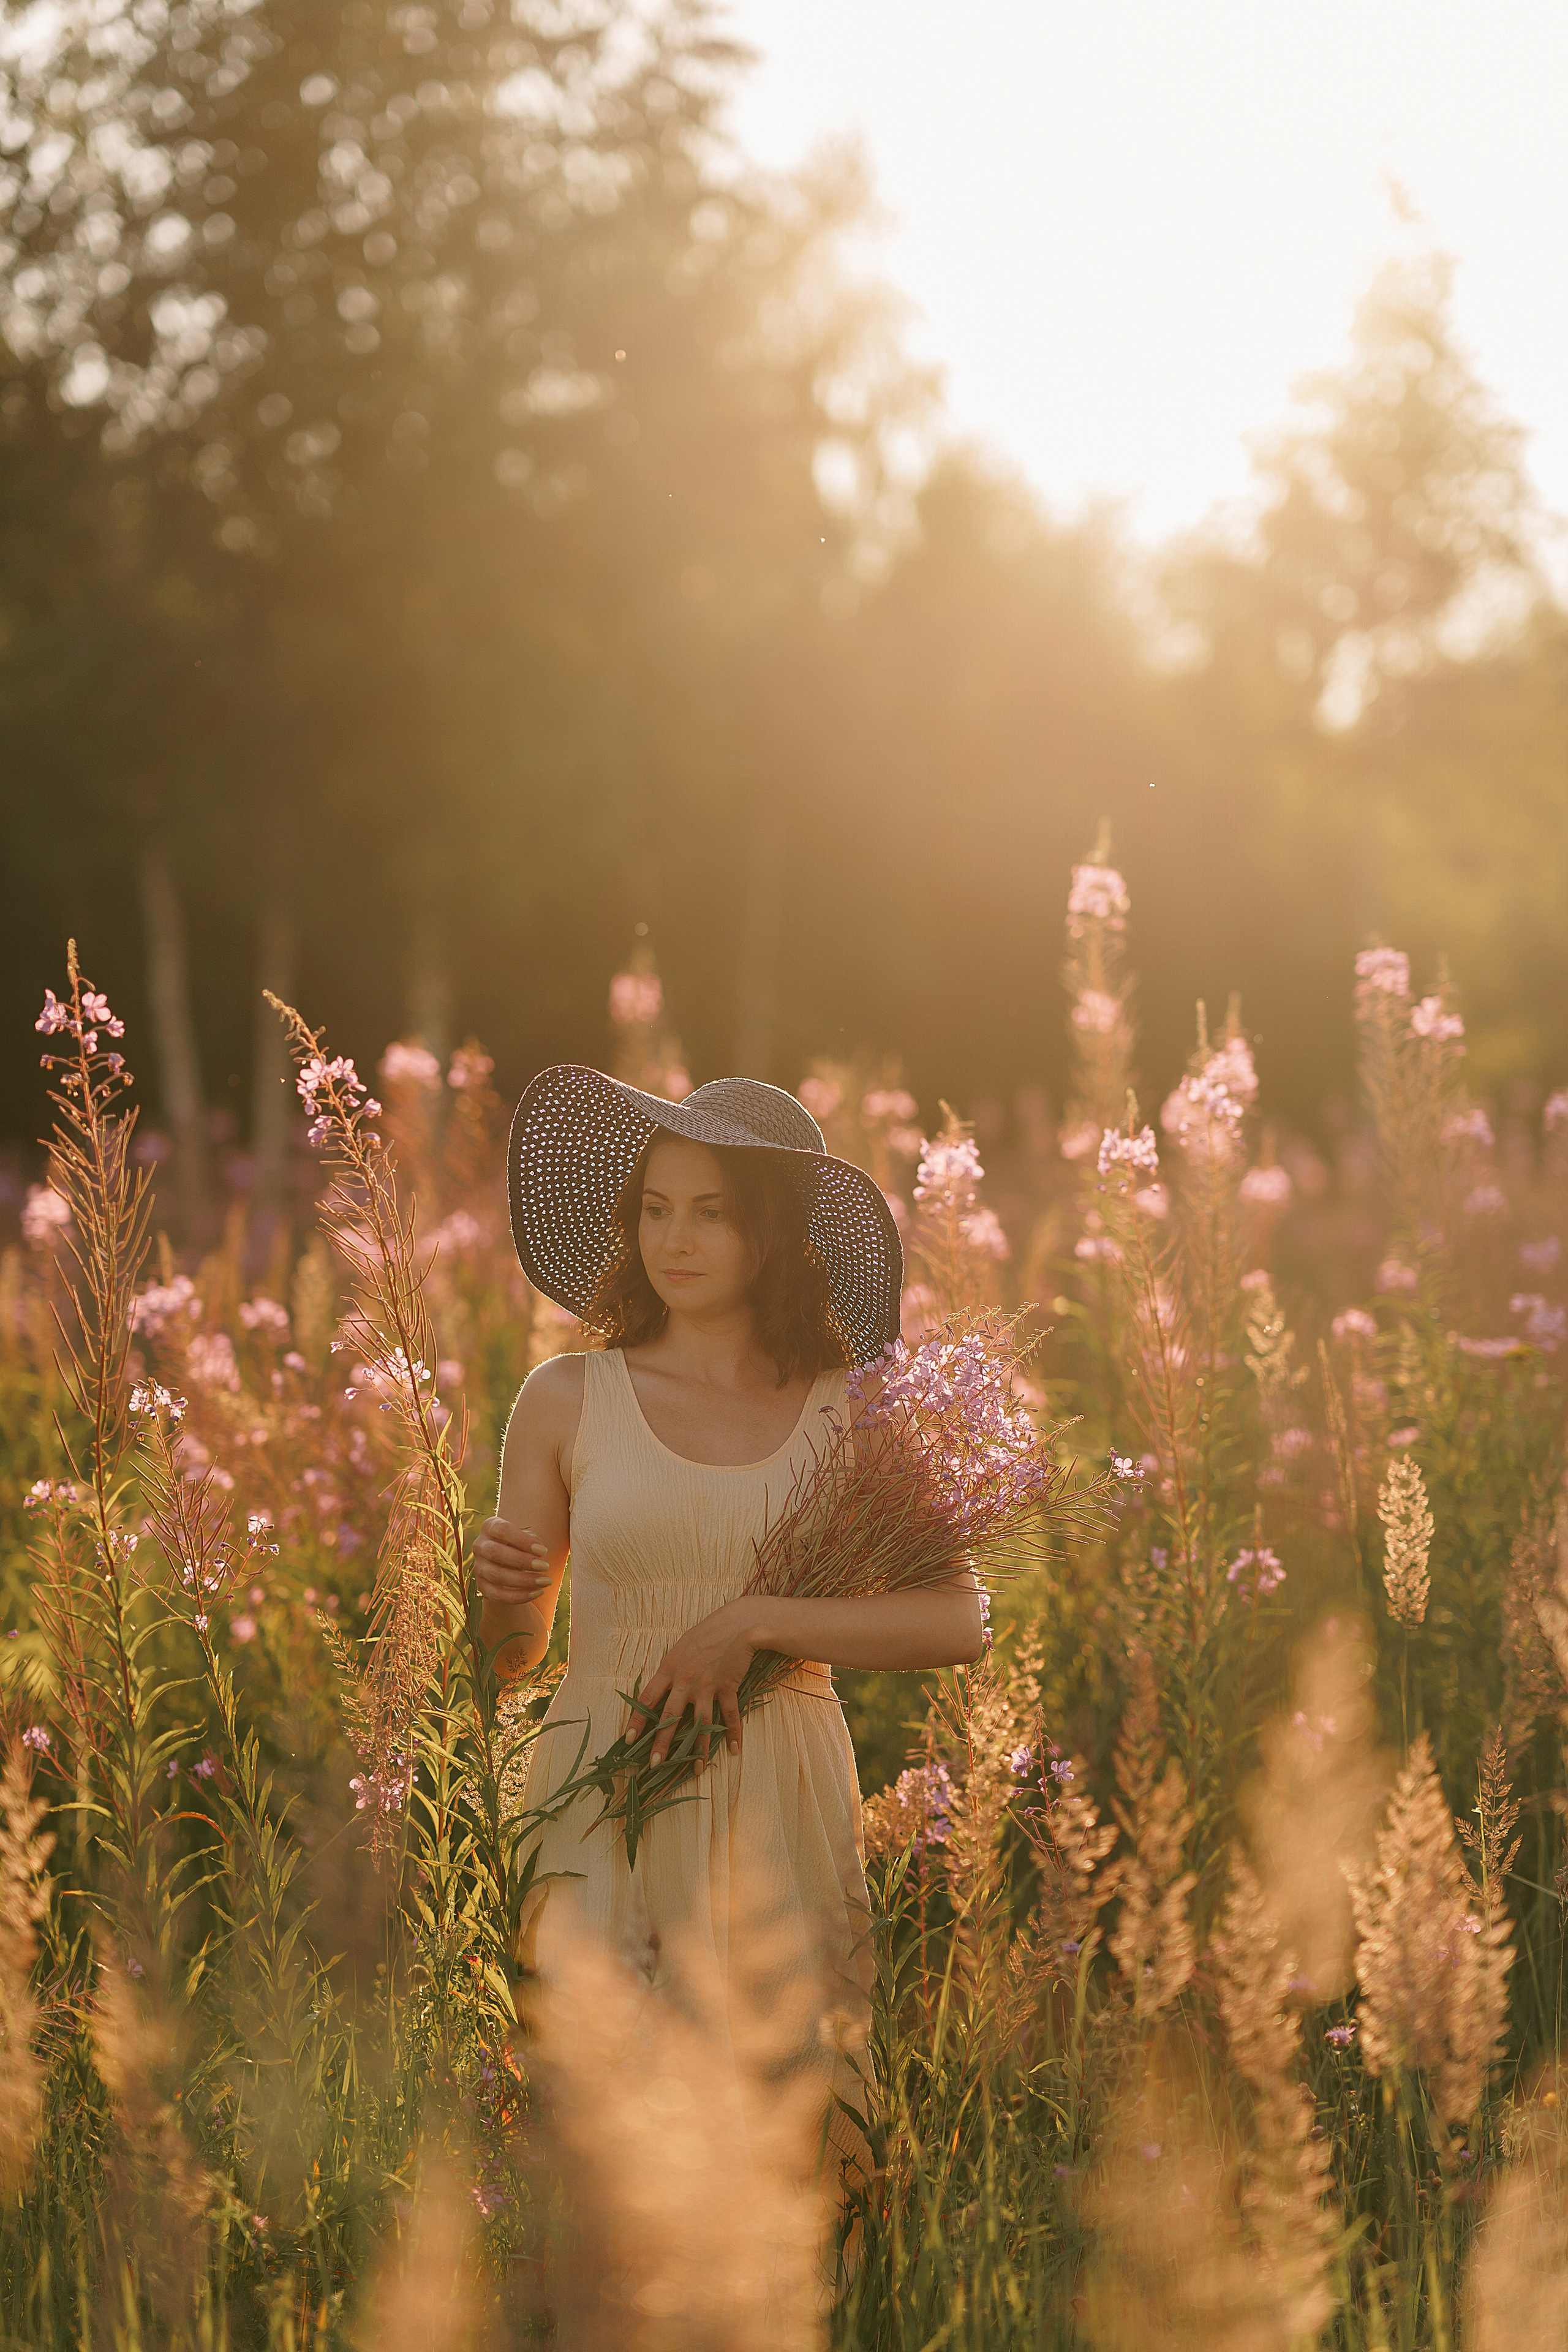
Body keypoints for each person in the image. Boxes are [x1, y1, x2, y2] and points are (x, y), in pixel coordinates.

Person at [473, 1064, 984, 2275]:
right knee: (609, 2136)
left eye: (707, 1212)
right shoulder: (563, 1398)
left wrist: (756, 1621)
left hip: (782, 1797)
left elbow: (958, 1618)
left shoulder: (844, 1410)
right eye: (654, 1208)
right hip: (601, 1789)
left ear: (771, 1232)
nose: (673, 1240)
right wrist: (493, 1597)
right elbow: (516, 1661)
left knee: (790, 2138)